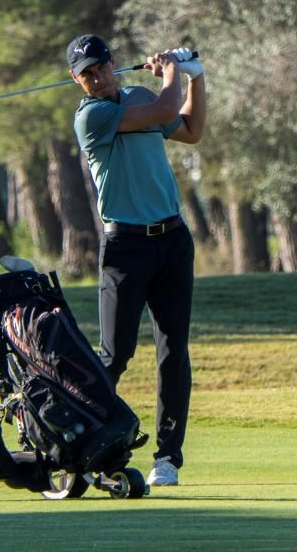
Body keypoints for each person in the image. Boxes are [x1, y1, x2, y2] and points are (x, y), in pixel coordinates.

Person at [66, 34, 206, 487]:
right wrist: (172, 71)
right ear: (77, 80)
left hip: (172, 240)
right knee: (114, 354)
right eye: (86, 73)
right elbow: (165, 109)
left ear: (112, 64)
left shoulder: (139, 96)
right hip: (125, 248)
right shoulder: (92, 117)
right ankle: (81, 442)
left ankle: (167, 457)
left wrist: (195, 79)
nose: (97, 77)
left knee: (172, 352)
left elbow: (189, 128)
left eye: (101, 67)